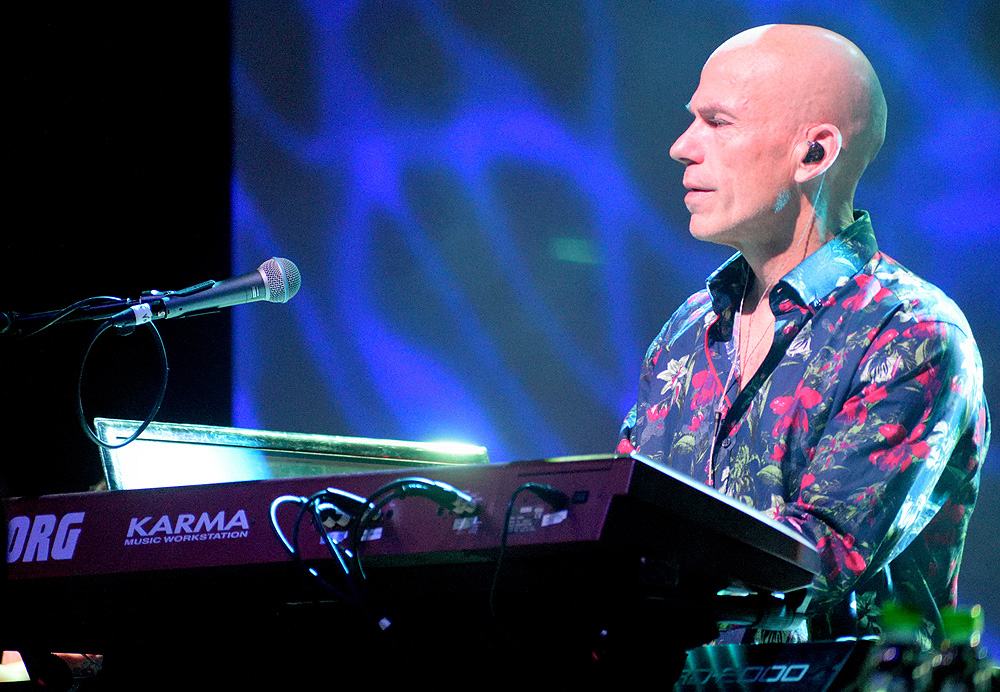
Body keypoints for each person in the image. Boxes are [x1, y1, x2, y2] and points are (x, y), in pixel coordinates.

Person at [618, 24, 989, 643]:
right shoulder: (687, 330)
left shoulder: (911, 332)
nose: (682, 147)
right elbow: (625, 518)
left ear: (813, 154)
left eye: (718, 122)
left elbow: (813, 560)